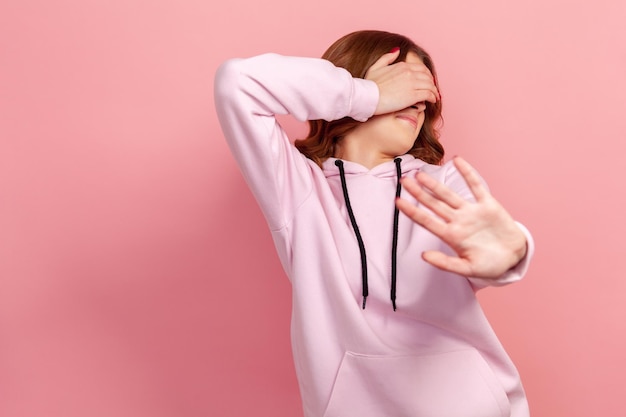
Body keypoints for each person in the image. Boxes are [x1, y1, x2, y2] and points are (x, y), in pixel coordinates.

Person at [214, 30, 534, 417]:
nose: (419, 101)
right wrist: (365, 95)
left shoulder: (443, 184)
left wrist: (511, 252)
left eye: (426, 92)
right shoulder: (298, 191)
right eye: (404, 82)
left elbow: (493, 245)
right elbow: (236, 83)